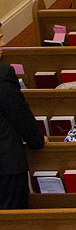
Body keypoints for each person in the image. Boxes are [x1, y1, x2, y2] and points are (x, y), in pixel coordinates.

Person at [0, 19, 46, 209]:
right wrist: (37, 141)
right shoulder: (3, 74)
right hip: (6, 166)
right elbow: (18, 113)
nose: (3, 44)